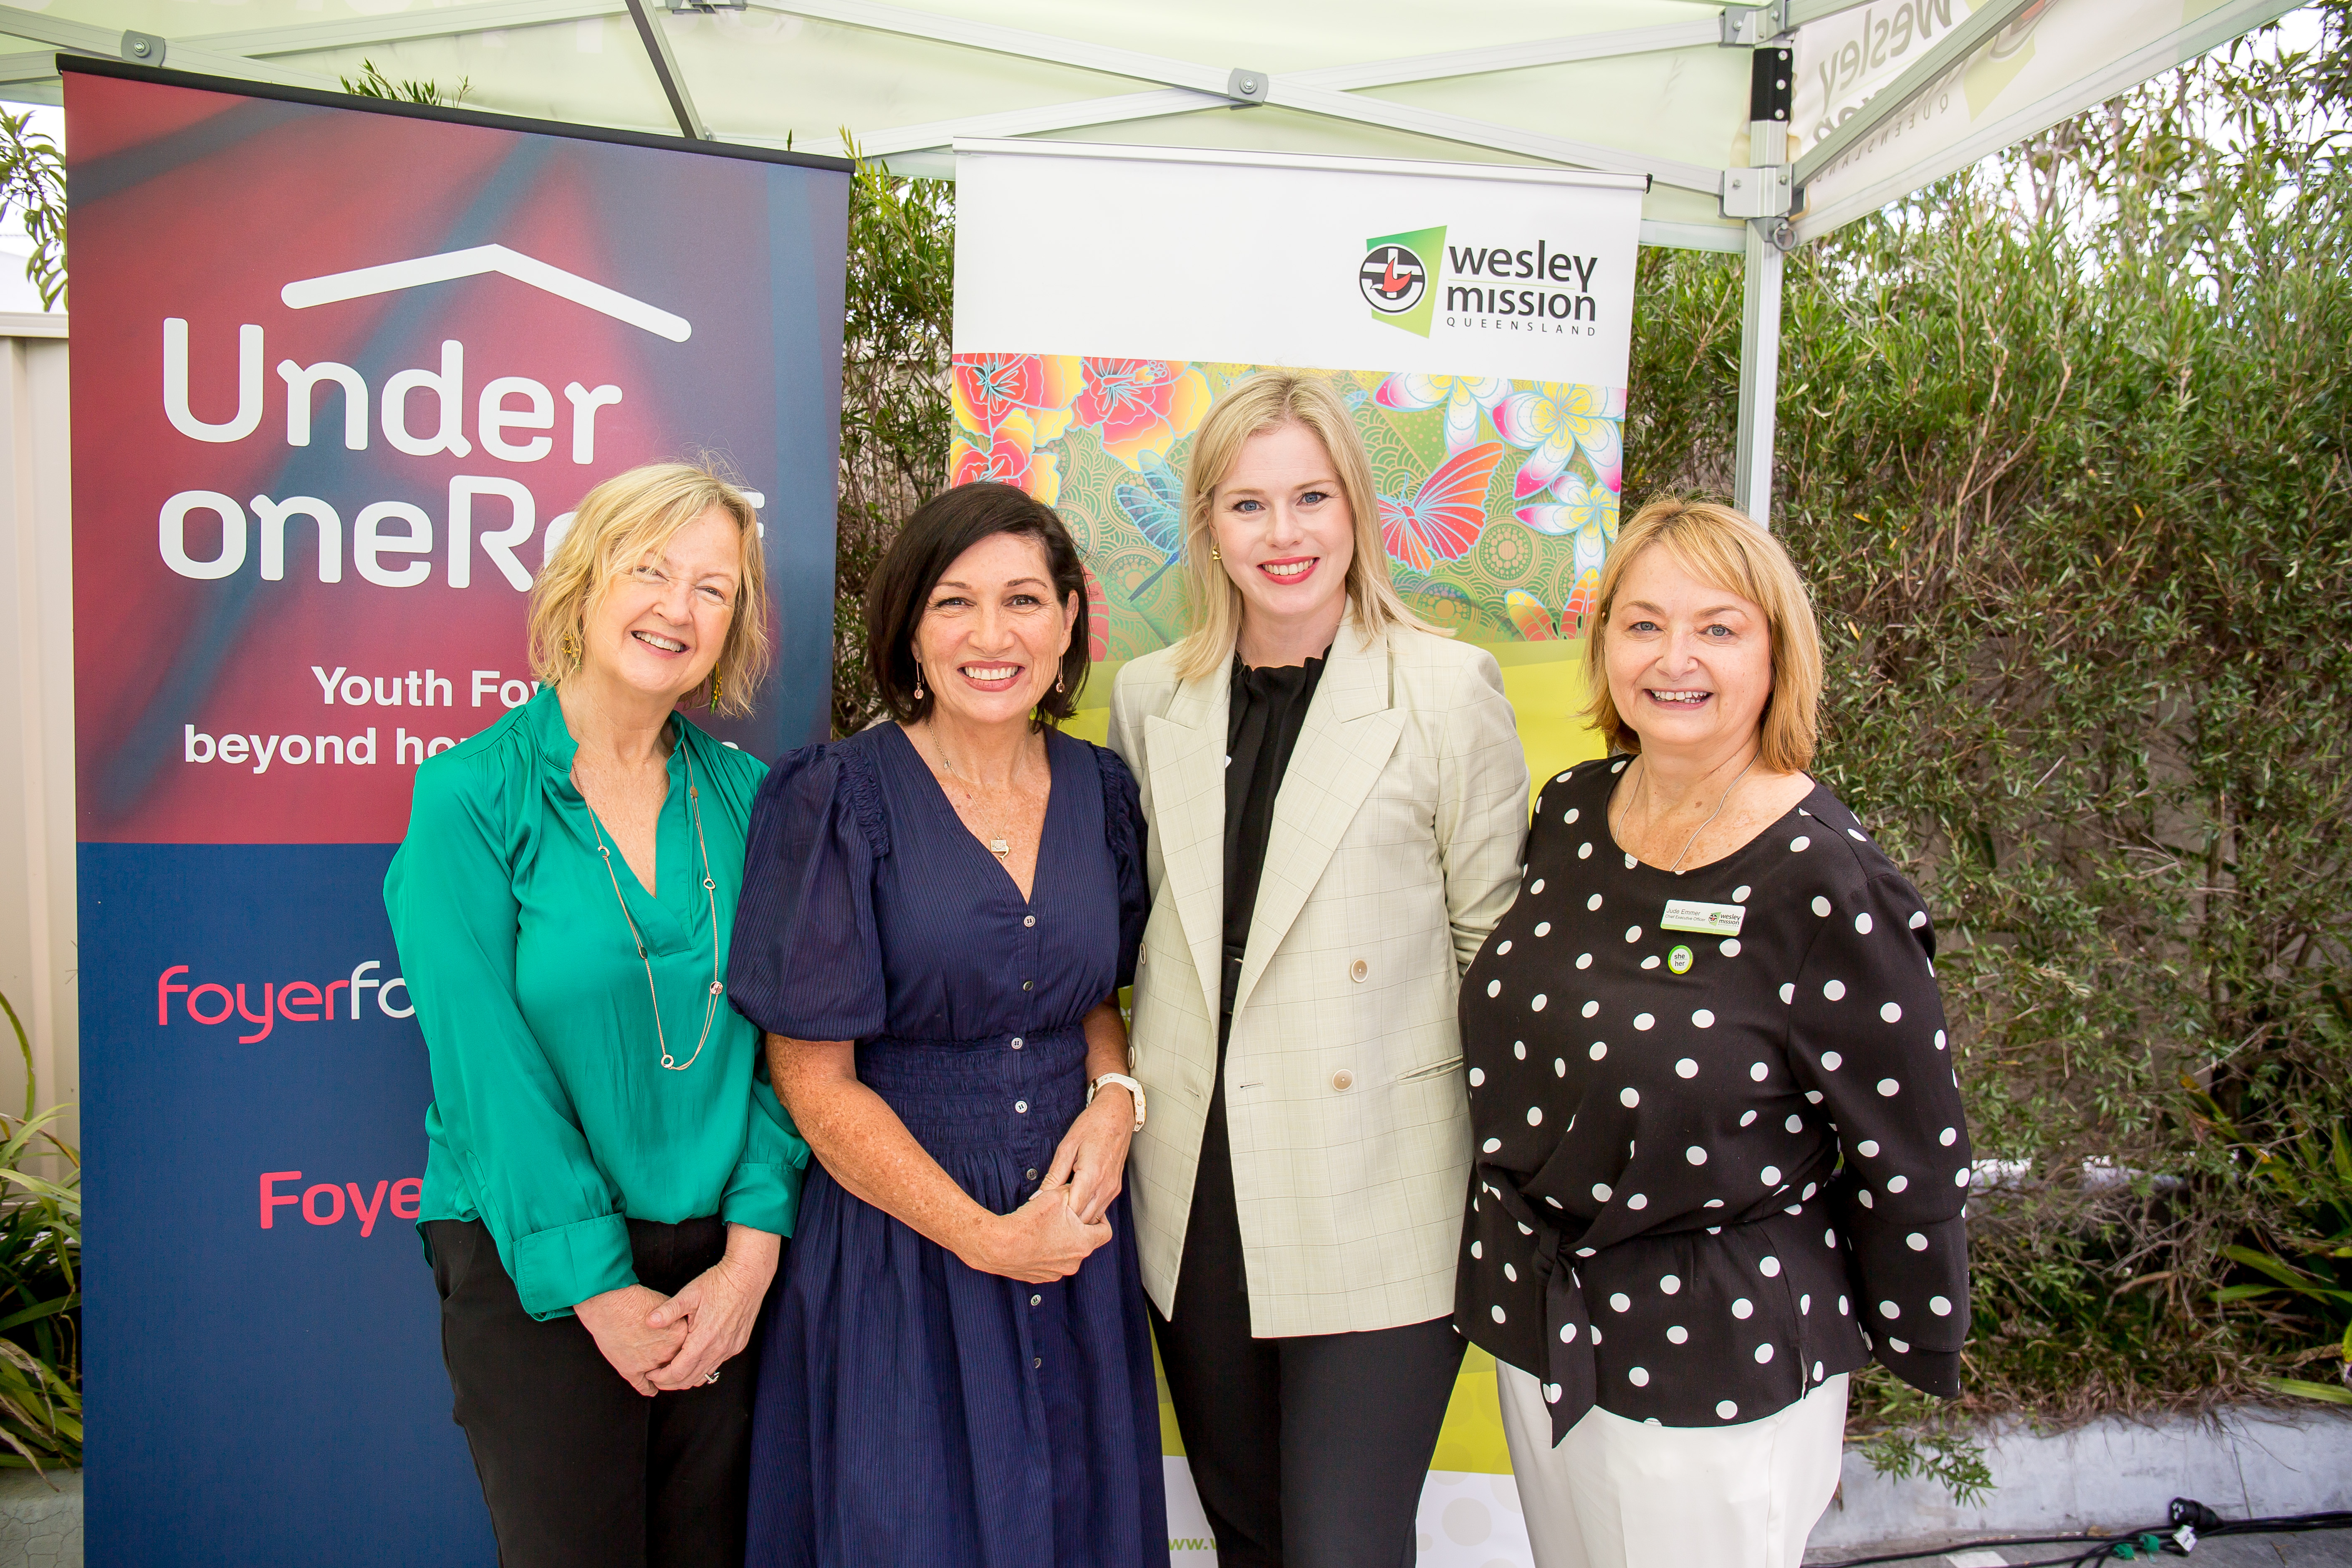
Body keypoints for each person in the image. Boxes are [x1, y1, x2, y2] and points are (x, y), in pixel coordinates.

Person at [1455, 497, 1973, 1568]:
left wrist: (1918, 1331)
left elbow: (1911, 1145)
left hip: (1717, 1356)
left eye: (1718, 627)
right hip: (1548, 1322)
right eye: (1642, 624)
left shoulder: (1826, 879)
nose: (1673, 657)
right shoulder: (1571, 811)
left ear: (1777, 651)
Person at [1107, 372, 1529, 1568]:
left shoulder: (1445, 690)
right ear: (1206, 524)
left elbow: (1484, 951)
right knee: (1246, 1535)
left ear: (1356, 508)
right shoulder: (1150, 699)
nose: (1281, 534)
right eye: (1246, 504)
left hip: (1380, 1192)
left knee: (1341, 1544)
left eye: (1309, 496)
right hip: (1195, 1197)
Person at [728, 481, 1166, 1568]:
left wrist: (1115, 1099)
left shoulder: (1101, 787)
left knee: (1076, 1522)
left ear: (1069, 620)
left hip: (1076, 1239)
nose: (990, 634)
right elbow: (812, 1077)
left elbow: (1093, 996)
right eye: (953, 602)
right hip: (901, 1243)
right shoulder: (834, 794)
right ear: (908, 629)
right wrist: (986, 1235)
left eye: (1023, 599)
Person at [384, 462, 807, 1568]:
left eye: (713, 588)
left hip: (722, 1269)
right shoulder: (472, 795)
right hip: (534, 1266)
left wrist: (753, 1255)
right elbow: (483, 1068)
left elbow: (793, 1044)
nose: (678, 606)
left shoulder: (755, 800)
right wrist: (598, 1287)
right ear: (582, 583)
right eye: (651, 570)